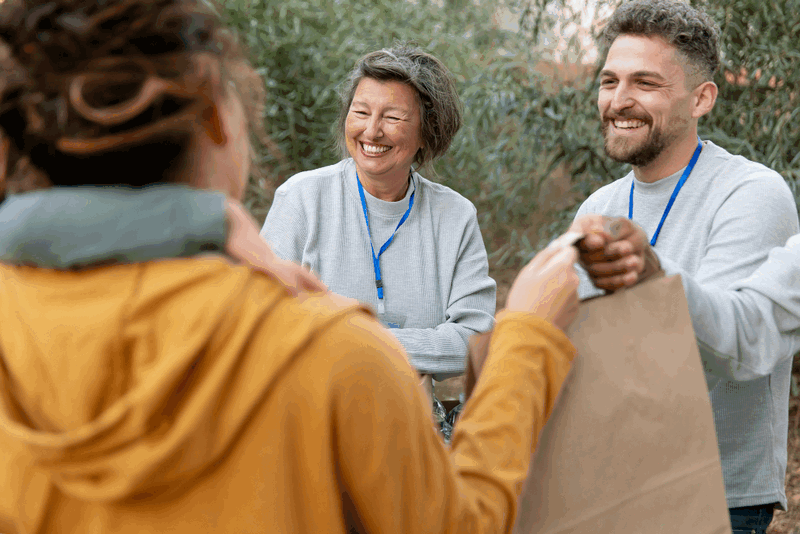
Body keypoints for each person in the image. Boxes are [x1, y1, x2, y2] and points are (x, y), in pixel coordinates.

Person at [0, 1, 581, 532]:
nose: (372, 130)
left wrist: (203, 218)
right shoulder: (331, 353)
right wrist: (529, 336)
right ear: (217, 117)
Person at [569, 1, 799, 532]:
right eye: (609, 81)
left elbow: (733, 346)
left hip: (713, 499)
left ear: (701, 99)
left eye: (645, 83)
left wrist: (652, 273)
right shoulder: (598, 206)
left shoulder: (751, 194)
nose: (618, 101)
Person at [260, 45, 496, 383]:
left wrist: (360, 341)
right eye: (360, 112)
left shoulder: (455, 216)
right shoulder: (302, 199)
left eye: (393, 117)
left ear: (427, 132)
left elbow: (475, 340)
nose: (371, 131)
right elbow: (263, 321)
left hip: (412, 413)